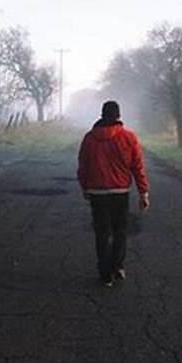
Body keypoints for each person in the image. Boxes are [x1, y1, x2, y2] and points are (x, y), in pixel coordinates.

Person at [77, 100, 150, 287]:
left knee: (102, 233)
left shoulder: (89, 138)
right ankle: (117, 266)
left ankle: (105, 275)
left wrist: (85, 187)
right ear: (118, 116)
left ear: (102, 114)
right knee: (119, 231)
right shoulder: (128, 137)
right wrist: (143, 192)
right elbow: (137, 166)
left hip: (97, 192)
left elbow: (83, 166)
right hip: (120, 192)